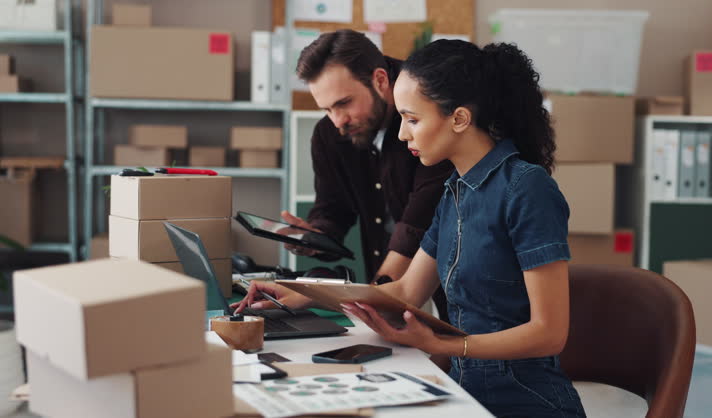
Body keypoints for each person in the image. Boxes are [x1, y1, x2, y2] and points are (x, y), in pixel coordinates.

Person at [340, 40, 585, 417]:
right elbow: (406, 291)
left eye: (412, 119)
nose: (403, 134)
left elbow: (549, 333)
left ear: (459, 119)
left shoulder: (526, 188)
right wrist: (303, 294)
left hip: (526, 402)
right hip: (466, 395)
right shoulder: (454, 191)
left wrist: (444, 345)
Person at [235, 29, 452, 318]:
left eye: (343, 103)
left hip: (454, 282)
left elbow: (417, 226)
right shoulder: (329, 134)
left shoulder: (427, 114)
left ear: (380, 80)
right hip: (394, 285)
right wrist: (314, 236)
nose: (338, 122)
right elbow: (333, 208)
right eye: (327, 109)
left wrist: (361, 300)